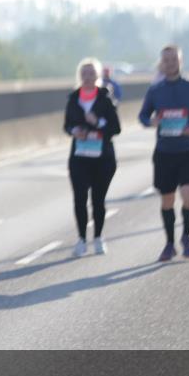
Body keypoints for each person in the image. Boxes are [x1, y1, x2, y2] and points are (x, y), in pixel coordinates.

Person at [139, 46, 189, 262]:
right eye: (166, 60)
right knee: (167, 201)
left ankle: (186, 237)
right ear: (162, 63)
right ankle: (169, 243)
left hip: (188, 150)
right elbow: (143, 115)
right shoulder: (155, 90)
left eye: (174, 59)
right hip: (164, 152)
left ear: (181, 61)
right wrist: (151, 121)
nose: (170, 63)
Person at [65, 58, 121, 256]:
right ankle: (81, 239)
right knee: (79, 199)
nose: (87, 78)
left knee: (98, 200)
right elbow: (66, 125)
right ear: (79, 77)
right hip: (79, 157)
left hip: (102, 158)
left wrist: (98, 122)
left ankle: (98, 237)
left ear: (98, 77)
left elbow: (116, 128)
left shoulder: (105, 99)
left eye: (91, 74)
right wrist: (74, 130)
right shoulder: (73, 99)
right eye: (84, 74)